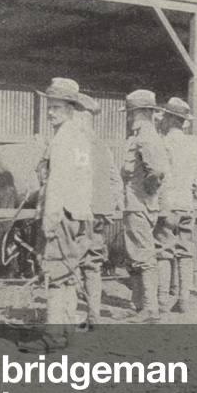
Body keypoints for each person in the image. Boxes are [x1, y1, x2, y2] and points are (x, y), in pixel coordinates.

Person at [24, 78, 93, 351]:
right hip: (78, 213)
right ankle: (67, 332)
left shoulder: (64, 139)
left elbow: (57, 183)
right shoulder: (81, 138)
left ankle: (52, 338)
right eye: (49, 107)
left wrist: (49, 220)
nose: (50, 112)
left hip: (61, 214)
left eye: (56, 107)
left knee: (54, 273)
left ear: (70, 108)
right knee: (68, 273)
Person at [119, 89, 170, 322]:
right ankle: (138, 303)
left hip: (138, 203)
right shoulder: (146, 135)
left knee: (143, 254)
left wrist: (147, 191)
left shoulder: (145, 136)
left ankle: (149, 308)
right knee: (136, 253)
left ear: (139, 112)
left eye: (131, 112)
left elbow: (156, 171)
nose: (128, 117)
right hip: (138, 203)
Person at [78, 93, 122, 329]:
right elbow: (115, 181)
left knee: (70, 261)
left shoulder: (76, 143)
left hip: (79, 213)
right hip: (98, 214)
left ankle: (66, 318)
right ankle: (93, 315)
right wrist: (108, 208)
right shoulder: (102, 146)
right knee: (92, 265)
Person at [154, 97, 197, 314]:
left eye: (164, 116)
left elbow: (158, 176)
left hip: (167, 204)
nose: (161, 120)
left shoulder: (163, 143)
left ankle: (163, 299)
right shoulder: (194, 146)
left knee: (164, 250)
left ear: (171, 118)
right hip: (187, 205)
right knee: (185, 251)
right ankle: (184, 298)